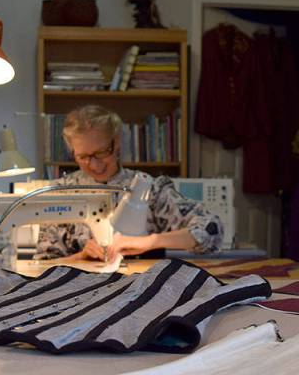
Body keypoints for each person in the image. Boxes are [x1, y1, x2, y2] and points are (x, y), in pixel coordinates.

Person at [35, 105, 222, 261]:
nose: (94, 164)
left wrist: (151, 241)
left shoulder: (151, 189)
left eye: (101, 153)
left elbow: (211, 229)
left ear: (116, 143)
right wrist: (81, 257)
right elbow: (43, 264)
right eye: (83, 156)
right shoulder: (61, 193)